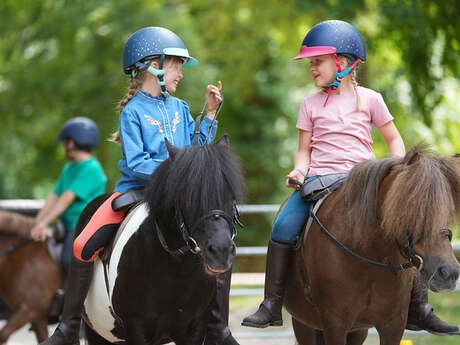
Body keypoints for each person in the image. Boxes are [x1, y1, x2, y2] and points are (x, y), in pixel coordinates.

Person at [242, 19, 459, 336]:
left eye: (318, 61)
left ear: (342, 62)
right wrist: (299, 169)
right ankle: (272, 303)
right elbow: (304, 150)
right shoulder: (310, 105)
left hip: (366, 184)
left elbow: (394, 139)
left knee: (409, 228)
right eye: (310, 63)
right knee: (283, 226)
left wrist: (399, 170)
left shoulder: (371, 99)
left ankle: (420, 309)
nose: (312, 68)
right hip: (319, 183)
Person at [41, 26, 238, 345]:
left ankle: (217, 326)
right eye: (177, 65)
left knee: (220, 238)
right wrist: (176, 175)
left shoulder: (181, 108)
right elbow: (136, 162)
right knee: (82, 244)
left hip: (177, 197)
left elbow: (196, 151)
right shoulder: (133, 112)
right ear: (153, 66)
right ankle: (68, 326)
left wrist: (211, 115)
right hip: (136, 191)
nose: (182, 74)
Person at [30, 117, 107, 273]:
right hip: (66, 225)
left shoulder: (92, 168)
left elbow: (66, 199)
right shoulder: (69, 167)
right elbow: (54, 196)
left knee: (68, 261)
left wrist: (44, 224)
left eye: (66, 142)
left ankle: (70, 295)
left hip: (81, 226)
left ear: (72, 142)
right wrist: (37, 222)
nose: (65, 146)